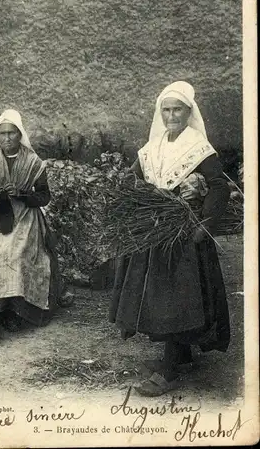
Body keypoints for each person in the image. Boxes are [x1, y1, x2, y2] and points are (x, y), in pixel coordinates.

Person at [109, 81, 230, 396]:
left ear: (189, 112)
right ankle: (181, 354)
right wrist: (127, 191)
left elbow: (218, 186)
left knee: (177, 297)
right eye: (166, 110)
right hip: (156, 232)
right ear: (160, 113)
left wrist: (203, 226)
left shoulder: (198, 147)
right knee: (157, 296)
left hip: (183, 235)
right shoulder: (155, 145)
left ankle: (170, 369)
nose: (172, 115)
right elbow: (135, 177)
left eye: (178, 109)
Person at [0, 109, 73, 345]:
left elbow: (44, 197)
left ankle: (13, 310)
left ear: (20, 135)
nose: (7, 138)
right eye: (3, 134)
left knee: (14, 251)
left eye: (12, 133)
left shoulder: (33, 162)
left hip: (23, 215)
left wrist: (23, 194)